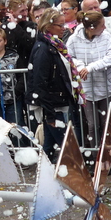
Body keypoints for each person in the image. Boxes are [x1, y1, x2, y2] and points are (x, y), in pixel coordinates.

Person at [26, 9, 84, 161]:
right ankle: (76, 170)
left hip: (55, 102)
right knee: (67, 146)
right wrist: (49, 113)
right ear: (48, 26)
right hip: (51, 104)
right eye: (60, 25)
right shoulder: (43, 49)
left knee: (49, 146)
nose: (64, 28)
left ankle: (46, 170)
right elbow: (40, 82)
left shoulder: (54, 45)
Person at [66, 11, 111, 146]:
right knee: (92, 124)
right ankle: (95, 151)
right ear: (91, 28)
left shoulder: (106, 36)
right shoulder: (74, 39)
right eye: (102, 25)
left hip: (105, 84)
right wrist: (80, 66)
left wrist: (91, 67)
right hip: (86, 88)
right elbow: (69, 57)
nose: (105, 28)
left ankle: (108, 150)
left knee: (106, 122)